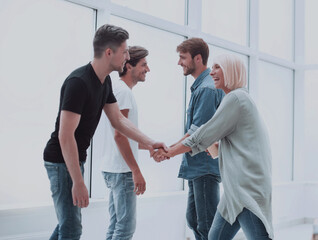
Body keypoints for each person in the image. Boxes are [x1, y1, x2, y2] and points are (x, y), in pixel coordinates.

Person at [43, 24, 166, 240]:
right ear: (109, 52)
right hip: (60, 160)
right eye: (125, 51)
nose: (127, 56)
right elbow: (65, 135)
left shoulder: (104, 81)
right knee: (72, 228)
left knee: (67, 225)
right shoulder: (78, 82)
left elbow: (118, 121)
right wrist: (78, 182)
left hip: (73, 158)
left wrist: (150, 142)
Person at [154, 54, 273, 240]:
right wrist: (218, 146)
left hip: (246, 189)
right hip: (235, 191)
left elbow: (203, 134)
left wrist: (169, 152)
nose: (212, 73)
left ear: (231, 71)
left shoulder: (236, 99)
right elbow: (235, 140)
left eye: (218, 67)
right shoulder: (239, 99)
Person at [173, 38, 225, 240]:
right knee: (194, 219)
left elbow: (198, 134)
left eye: (182, 58)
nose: (179, 63)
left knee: (206, 224)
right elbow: (194, 130)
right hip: (197, 167)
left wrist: (169, 151)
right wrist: (171, 147)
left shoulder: (206, 89)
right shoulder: (201, 86)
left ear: (198, 58)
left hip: (204, 167)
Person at [101, 46, 150, 240]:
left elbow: (125, 137)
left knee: (116, 226)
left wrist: (151, 147)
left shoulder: (119, 90)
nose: (148, 69)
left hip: (114, 168)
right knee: (125, 229)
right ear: (129, 66)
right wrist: (136, 171)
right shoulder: (123, 92)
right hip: (121, 172)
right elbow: (119, 136)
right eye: (144, 64)